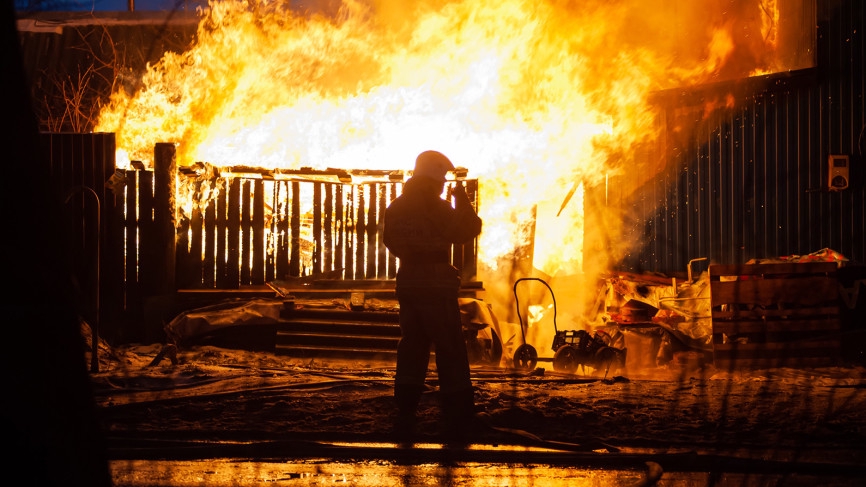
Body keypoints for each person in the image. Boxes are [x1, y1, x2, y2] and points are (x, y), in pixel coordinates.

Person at [383, 150, 483, 438]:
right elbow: (467, 229)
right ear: (435, 177)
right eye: (441, 178)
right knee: (449, 345)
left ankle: (406, 407)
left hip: (409, 281)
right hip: (435, 283)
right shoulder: (435, 206)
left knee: (412, 344)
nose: (442, 184)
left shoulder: (396, 207)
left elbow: (391, 240)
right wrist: (461, 198)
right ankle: (458, 411)